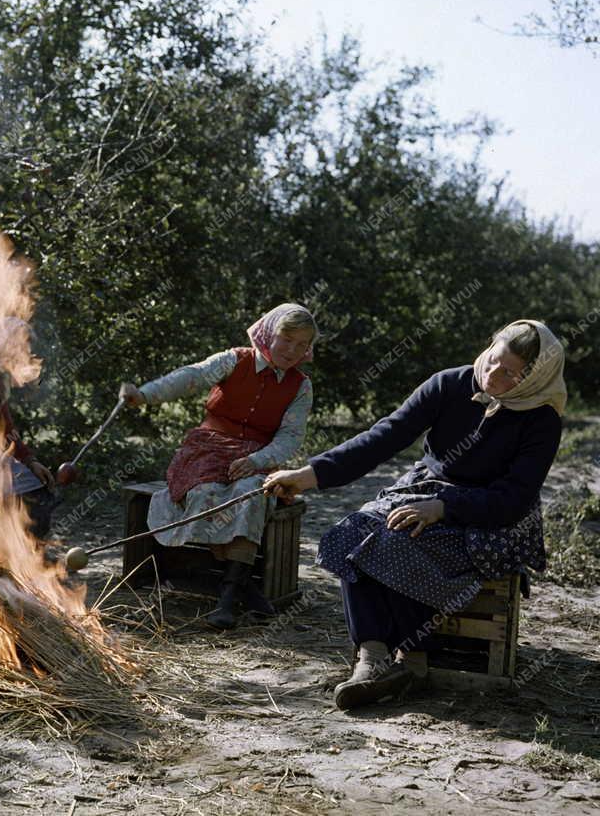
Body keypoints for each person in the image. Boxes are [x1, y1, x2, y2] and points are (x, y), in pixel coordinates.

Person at [263, 319, 566, 709]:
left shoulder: (541, 419)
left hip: (490, 512)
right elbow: (384, 436)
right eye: (492, 360)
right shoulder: (449, 384)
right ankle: (372, 659)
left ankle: (413, 657)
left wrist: (444, 508)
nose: (492, 375)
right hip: (426, 489)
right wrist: (309, 475)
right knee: (352, 530)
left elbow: (514, 498)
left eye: (509, 373)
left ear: (534, 378)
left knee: (400, 539)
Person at [122, 303, 317, 629]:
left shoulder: (301, 386)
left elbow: (290, 438)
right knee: (206, 493)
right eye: (287, 339)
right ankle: (246, 588)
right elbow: (190, 377)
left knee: (250, 493)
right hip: (207, 449)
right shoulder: (234, 360)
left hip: (256, 456)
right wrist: (143, 395)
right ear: (270, 333)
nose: (292, 350)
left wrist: (257, 460)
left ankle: (227, 598)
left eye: (302, 345)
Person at [0, 318, 58, 538]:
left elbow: (5, 426)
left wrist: (30, 461)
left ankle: (26, 557)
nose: (25, 354)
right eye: (20, 346)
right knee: (29, 497)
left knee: (37, 493)